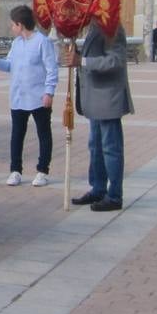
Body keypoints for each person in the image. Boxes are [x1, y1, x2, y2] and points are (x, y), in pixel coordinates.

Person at [65, 22, 133, 212]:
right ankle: (98, 188)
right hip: (94, 98)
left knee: (111, 148)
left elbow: (115, 60)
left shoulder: (112, 27)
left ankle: (114, 195)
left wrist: (83, 61)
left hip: (108, 98)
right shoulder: (93, 27)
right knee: (95, 146)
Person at [0, 5, 58, 187]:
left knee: (43, 133)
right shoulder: (17, 43)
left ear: (20, 24)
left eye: (13, 24)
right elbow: (10, 65)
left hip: (38, 96)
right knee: (17, 134)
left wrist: (49, 92)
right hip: (18, 96)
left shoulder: (42, 42)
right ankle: (15, 170)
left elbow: (52, 69)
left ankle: (42, 170)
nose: (12, 27)